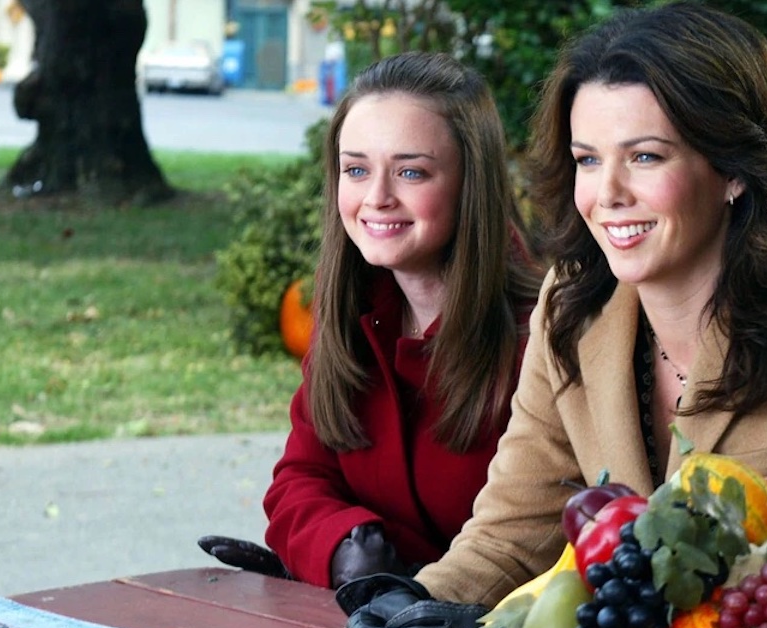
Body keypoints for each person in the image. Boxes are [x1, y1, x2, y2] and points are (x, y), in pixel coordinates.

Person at [344, 1, 767, 628]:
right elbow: (513, 530)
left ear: (735, 169)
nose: (608, 193)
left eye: (646, 156)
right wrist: (418, 610)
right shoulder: (571, 307)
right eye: (587, 160)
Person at [198, 51, 544, 590]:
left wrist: (399, 580)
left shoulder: (541, 334)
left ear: (470, 183)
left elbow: (531, 537)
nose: (377, 198)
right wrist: (343, 547)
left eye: (410, 172)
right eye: (356, 170)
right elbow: (300, 480)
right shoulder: (353, 316)